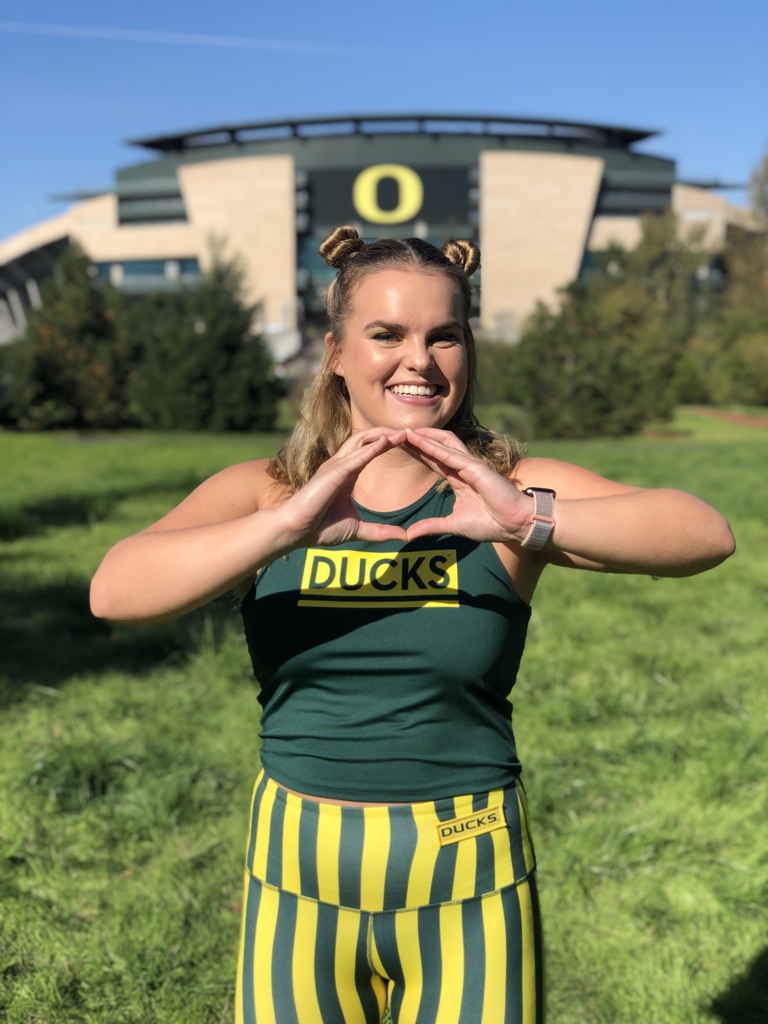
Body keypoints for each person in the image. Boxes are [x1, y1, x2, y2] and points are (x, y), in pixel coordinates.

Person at [90, 226, 735, 1024]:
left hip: (469, 868)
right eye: (386, 334)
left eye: (444, 337)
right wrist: (285, 527)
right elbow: (113, 590)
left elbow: (704, 533)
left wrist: (525, 518)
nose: (418, 361)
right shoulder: (266, 490)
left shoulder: (512, 488)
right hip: (299, 870)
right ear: (334, 352)